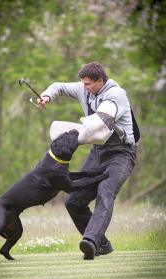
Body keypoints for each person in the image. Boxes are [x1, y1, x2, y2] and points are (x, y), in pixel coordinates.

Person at [37, 62, 140, 260]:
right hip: (98, 151)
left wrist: (70, 134)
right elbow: (59, 86)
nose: (83, 88)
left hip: (122, 153)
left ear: (100, 81)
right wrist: (47, 95)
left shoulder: (116, 95)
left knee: (105, 191)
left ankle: (91, 240)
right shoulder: (85, 89)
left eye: (87, 84)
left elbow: (99, 123)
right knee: (73, 201)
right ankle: (102, 246)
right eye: (82, 83)